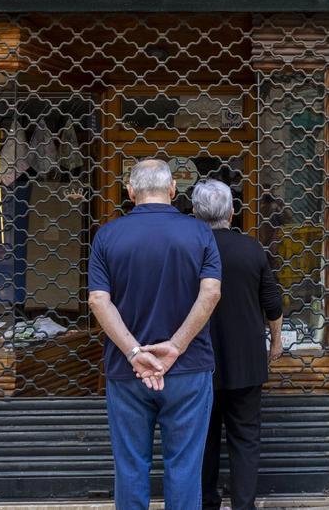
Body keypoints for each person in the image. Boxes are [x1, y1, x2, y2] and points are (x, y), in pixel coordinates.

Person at [87, 158, 222, 510]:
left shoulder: (107, 235)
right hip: (188, 370)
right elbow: (211, 293)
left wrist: (134, 352)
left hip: (128, 371)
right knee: (185, 468)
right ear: (174, 190)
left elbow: (98, 300)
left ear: (130, 192)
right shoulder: (200, 233)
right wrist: (175, 347)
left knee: (130, 467)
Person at [191, 180, 285, 510]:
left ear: (194, 213)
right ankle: (243, 505)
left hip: (198, 361)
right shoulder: (251, 249)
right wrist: (275, 340)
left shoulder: (189, 249)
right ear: (233, 212)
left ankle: (206, 504)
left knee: (203, 440)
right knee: (245, 439)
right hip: (246, 362)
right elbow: (272, 301)